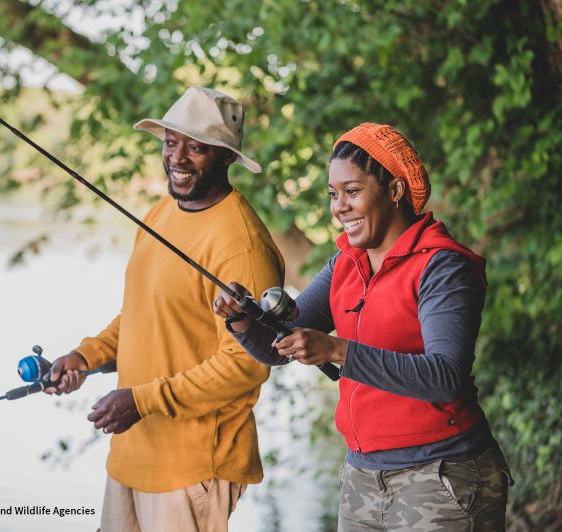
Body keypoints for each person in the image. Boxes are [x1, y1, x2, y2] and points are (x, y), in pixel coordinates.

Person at [214, 123, 512, 531]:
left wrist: (337, 350)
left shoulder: (442, 266)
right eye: (333, 195)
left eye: (352, 191)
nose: (339, 207)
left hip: (443, 475)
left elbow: (446, 377)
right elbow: (277, 347)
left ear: (395, 190)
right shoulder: (345, 263)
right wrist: (241, 317)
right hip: (362, 477)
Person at [44, 86, 285, 532]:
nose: (178, 157)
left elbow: (247, 365)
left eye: (196, 147)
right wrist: (86, 356)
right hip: (131, 458)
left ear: (226, 156)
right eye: (171, 142)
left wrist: (142, 399)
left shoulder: (241, 246)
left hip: (192, 467)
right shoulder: (159, 214)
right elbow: (142, 316)